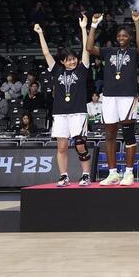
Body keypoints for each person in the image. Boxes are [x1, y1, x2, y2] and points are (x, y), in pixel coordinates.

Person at [34, 16, 92, 187]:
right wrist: (40, 33)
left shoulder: (82, 70)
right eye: (68, 59)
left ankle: (86, 175)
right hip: (60, 113)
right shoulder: (56, 71)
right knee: (62, 146)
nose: (72, 61)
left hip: (78, 112)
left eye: (74, 58)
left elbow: (86, 50)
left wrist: (83, 28)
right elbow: (45, 53)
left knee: (80, 145)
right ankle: (64, 176)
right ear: (62, 62)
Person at [89, 11, 139, 186]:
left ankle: (129, 173)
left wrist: (136, 23)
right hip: (110, 96)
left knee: (128, 134)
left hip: (127, 95)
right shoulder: (108, 51)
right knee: (110, 134)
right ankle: (113, 173)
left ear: (129, 38)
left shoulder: (134, 52)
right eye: (119, 35)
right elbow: (89, 48)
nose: (121, 37)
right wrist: (93, 25)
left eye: (125, 35)